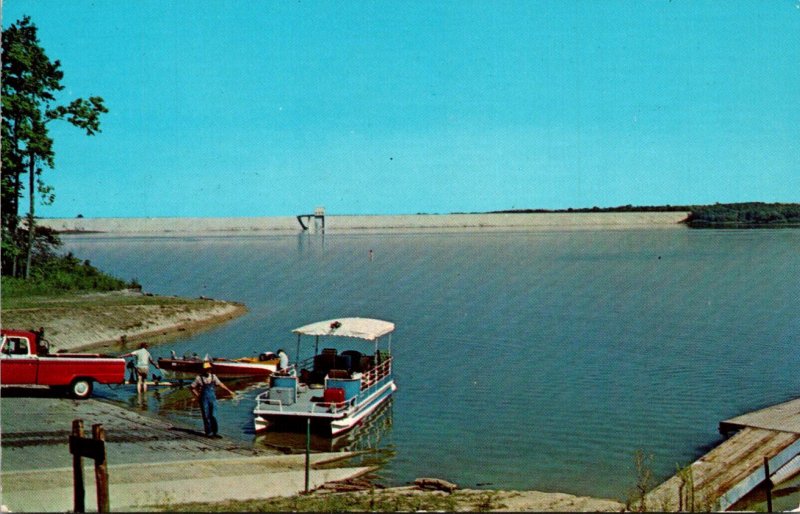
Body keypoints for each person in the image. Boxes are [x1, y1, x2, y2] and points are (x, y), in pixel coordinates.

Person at [190, 361, 234, 438]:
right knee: (206, 415)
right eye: (206, 369)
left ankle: (215, 432)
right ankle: (208, 433)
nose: (208, 370)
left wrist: (229, 391)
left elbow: (221, 384)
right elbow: (192, 387)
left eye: (209, 369)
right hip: (204, 399)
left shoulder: (213, 377)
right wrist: (197, 396)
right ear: (203, 369)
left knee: (214, 415)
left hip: (212, 398)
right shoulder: (199, 378)